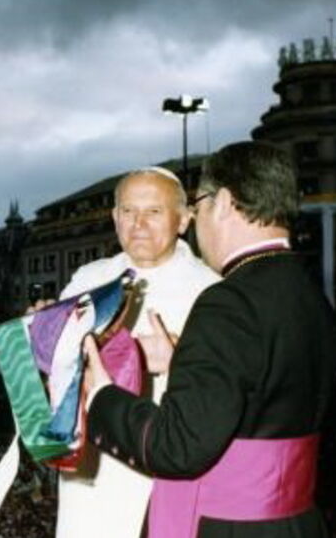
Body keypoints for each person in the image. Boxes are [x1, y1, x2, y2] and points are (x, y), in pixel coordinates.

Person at [84, 142, 336, 538]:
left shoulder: (229, 301)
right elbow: (265, 386)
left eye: (198, 205)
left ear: (221, 202)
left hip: (232, 526)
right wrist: (183, 360)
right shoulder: (310, 293)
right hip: (298, 522)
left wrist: (101, 395)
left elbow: (177, 448)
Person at [55, 167, 220, 538]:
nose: (138, 224)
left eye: (154, 212)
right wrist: (42, 335)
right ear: (115, 218)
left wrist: (181, 360)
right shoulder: (87, 279)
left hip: (161, 467)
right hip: (90, 476)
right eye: (128, 211)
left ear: (183, 220)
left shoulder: (212, 290)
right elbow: (55, 375)